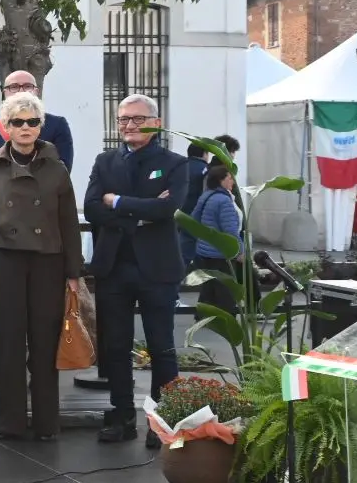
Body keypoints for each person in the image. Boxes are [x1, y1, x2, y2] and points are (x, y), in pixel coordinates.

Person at [83, 94, 189, 447]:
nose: (129, 125)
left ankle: (162, 420)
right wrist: (140, 212)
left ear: (155, 122)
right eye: (123, 119)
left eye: (137, 119)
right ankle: (122, 414)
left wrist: (120, 203)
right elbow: (93, 208)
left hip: (157, 268)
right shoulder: (105, 161)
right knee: (116, 346)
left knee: (162, 347)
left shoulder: (174, 163)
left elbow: (168, 208)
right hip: (114, 267)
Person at [0, 93, 82, 441]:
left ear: (40, 126)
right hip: (5, 259)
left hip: (47, 261)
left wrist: (74, 273)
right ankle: (9, 420)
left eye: (32, 122)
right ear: (5, 127)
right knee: (8, 343)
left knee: (44, 342)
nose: (25, 128)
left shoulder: (57, 168)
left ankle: (46, 421)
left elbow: (69, 221)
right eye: (17, 122)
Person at [0, 71, 74, 170]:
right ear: (4, 93)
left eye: (28, 86)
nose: (21, 91)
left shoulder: (57, 125)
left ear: (37, 92)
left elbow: (63, 171)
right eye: (14, 87)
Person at [189, 164, 244, 319]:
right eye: (229, 177)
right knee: (225, 289)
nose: (232, 181)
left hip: (205, 250)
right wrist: (239, 250)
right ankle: (226, 320)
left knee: (209, 285)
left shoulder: (206, 195)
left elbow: (194, 219)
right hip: (221, 252)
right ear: (221, 180)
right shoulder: (223, 201)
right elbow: (230, 230)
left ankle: (203, 316)